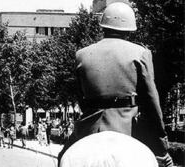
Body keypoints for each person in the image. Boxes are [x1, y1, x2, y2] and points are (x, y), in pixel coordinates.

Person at [57, 3, 172, 167]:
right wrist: (161, 145)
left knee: (63, 157)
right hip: (129, 127)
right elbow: (151, 101)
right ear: (130, 29)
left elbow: (81, 98)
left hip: (90, 126)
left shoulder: (81, 54)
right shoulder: (141, 53)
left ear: (103, 26)